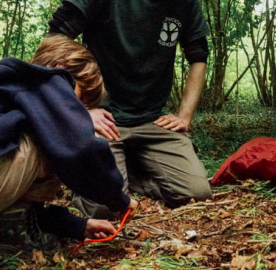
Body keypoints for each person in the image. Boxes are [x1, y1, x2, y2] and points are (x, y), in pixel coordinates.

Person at [0, 35, 138, 260]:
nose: (81, 108)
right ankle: (9, 235)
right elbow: (80, 149)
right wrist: (117, 199)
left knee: (51, 131)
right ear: (60, 67)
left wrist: (75, 225)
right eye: (81, 99)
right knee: (63, 132)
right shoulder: (44, 80)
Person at [48, 0, 212, 218]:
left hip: (153, 121)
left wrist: (185, 116)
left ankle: (129, 171)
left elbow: (199, 54)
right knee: (103, 208)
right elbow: (55, 38)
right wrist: (77, 109)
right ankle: (107, 176)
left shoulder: (185, 4)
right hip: (105, 119)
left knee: (197, 193)